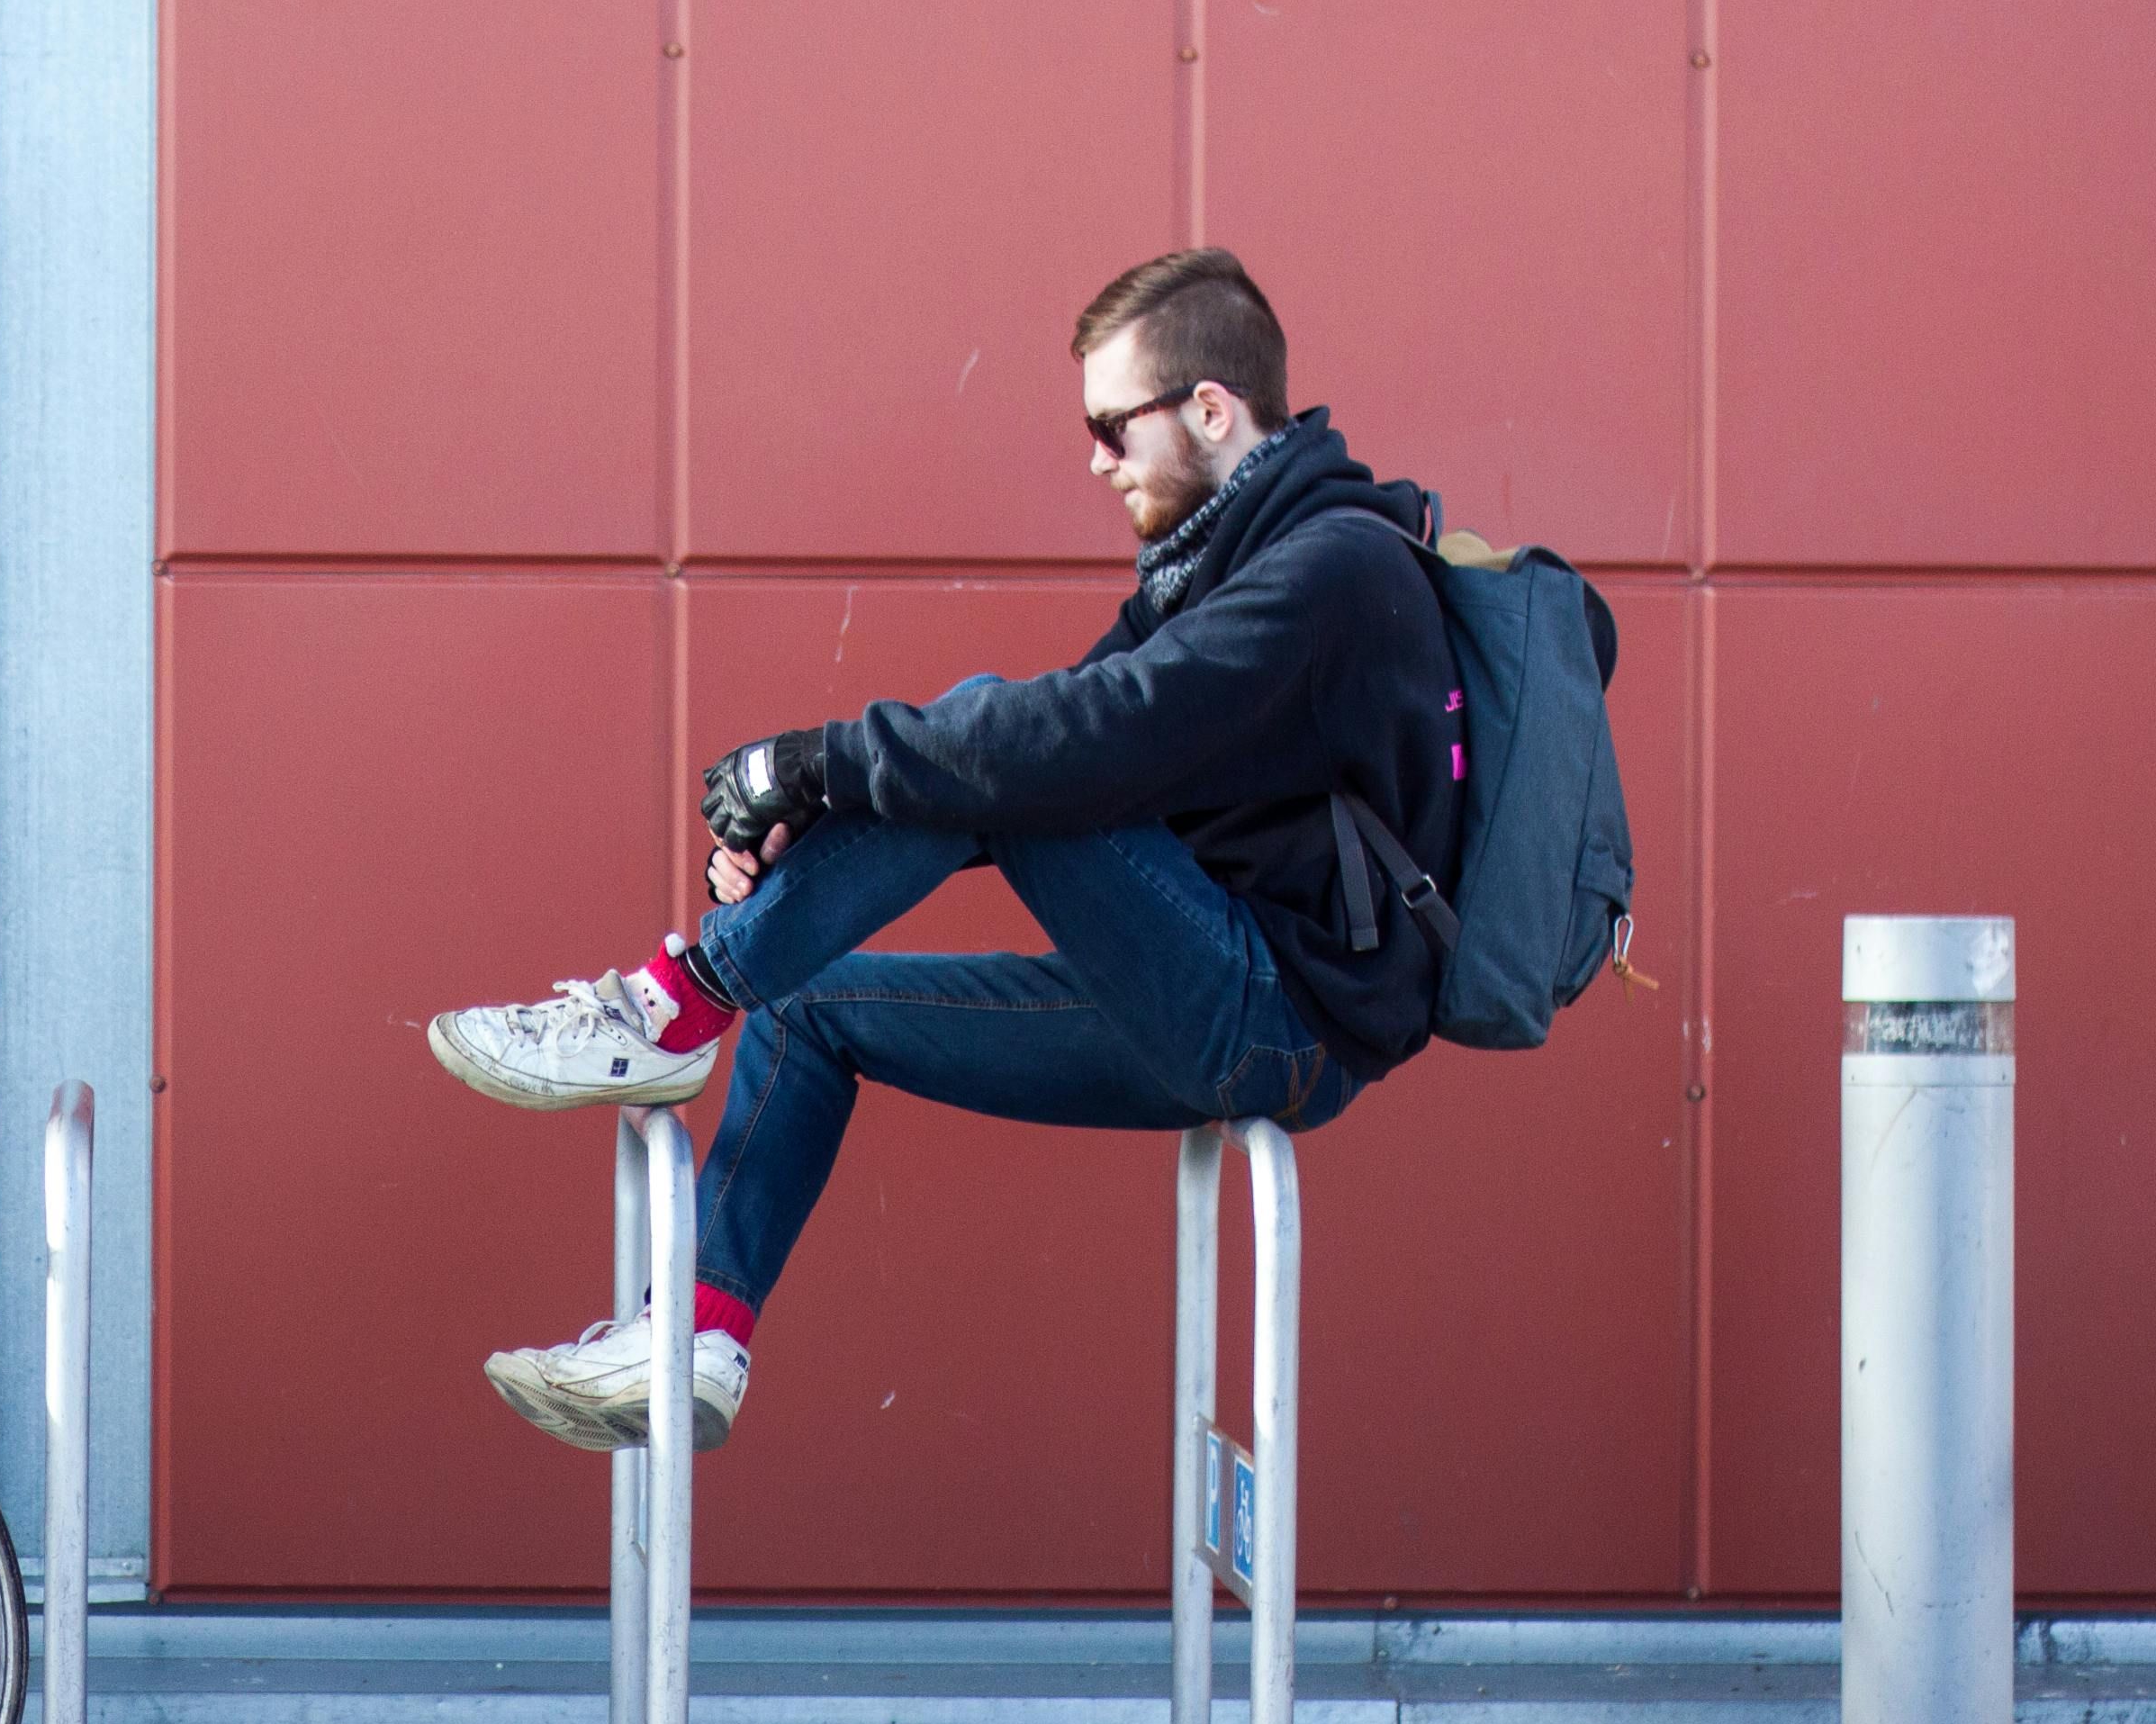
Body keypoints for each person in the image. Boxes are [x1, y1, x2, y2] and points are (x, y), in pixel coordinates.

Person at [430, 248, 1459, 1451]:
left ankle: (671, 1008)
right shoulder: (1218, 567)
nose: (1095, 459)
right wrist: (812, 822)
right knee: (808, 1005)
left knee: (991, 738)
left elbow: (1063, 747)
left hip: (1281, 1019)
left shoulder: (1329, 571)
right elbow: (1030, 766)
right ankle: (697, 1328)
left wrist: (821, 758)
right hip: (1194, 992)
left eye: (1113, 428)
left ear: (1212, 410)